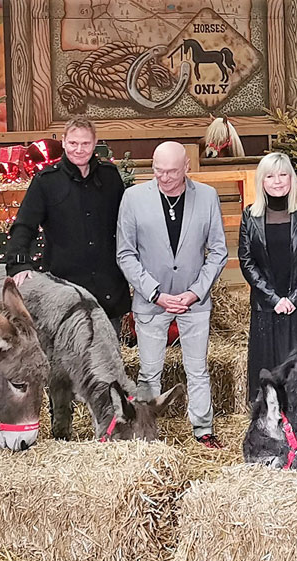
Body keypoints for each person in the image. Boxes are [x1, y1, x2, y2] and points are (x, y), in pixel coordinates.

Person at [116, 141, 228, 448]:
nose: (163, 177)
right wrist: (155, 294)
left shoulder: (207, 197)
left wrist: (195, 292)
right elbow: (125, 254)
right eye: (157, 170)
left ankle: (203, 430)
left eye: (171, 172)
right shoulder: (133, 198)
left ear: (186, 168)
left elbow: (218, 251)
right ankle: (143, 432)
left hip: (195, 303)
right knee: (149, 372)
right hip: (151, 303)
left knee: (198, 370)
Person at [4, 117, 130, 329]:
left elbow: (127, 222)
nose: (79, 149)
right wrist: (18, 263)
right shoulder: (46, 181)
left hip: (108, 286)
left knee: (107, 356)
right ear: (63, 142)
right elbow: (25, 225)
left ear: (95, 142)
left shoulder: (110, 176)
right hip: (64, 288)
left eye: (85, 143)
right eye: (73, 143)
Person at [239, 152, 297, 400]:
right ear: (261, 181)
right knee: (270, 377)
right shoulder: (250, 215)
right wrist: (274, 300)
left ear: (292, 178)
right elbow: (247, 261)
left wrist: (295, 298)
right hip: (268, 309)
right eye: (270, 176)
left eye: (283, 175)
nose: (277, 181)